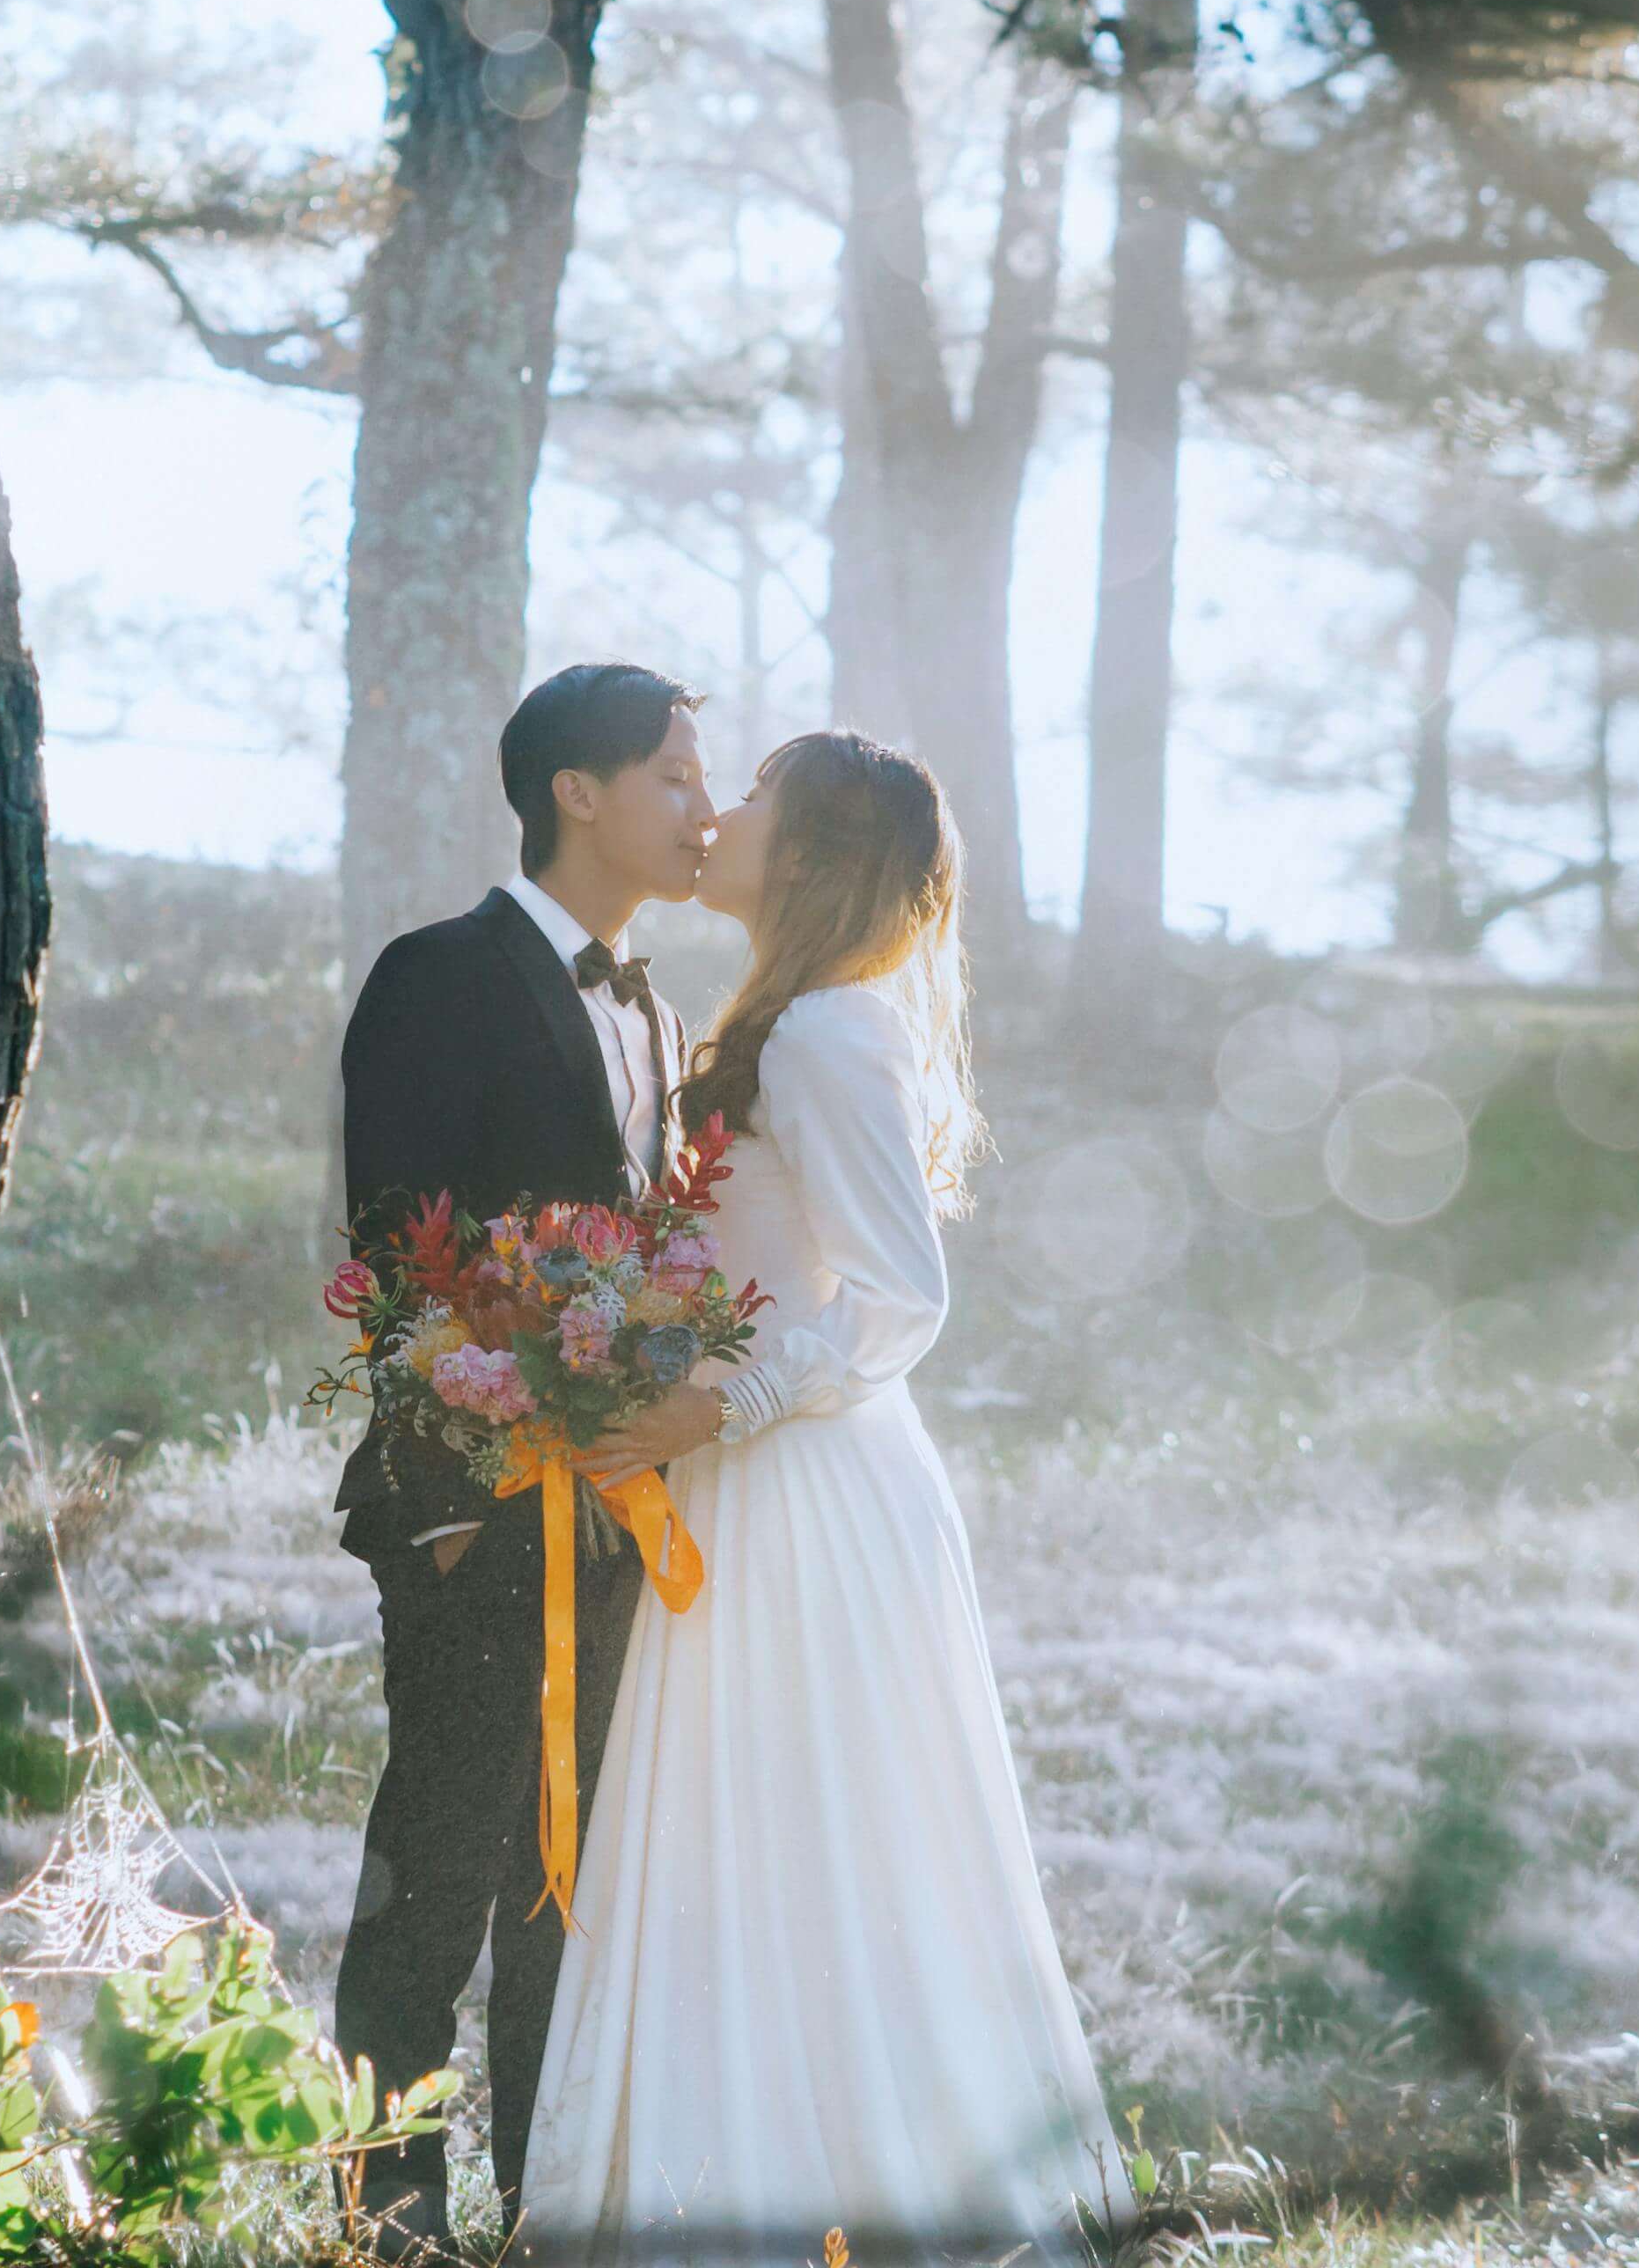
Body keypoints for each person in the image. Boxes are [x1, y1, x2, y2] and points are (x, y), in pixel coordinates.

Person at [519, 730, 1134, 2260]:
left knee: (820, 1840)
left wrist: (709, 1397)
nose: (718, 815)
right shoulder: (785, 1020)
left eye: (757, 801)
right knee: (752, 1838)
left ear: (805, 855)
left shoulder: (826, 1038)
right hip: (757, 1477)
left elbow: (899, 1302)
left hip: (806, 1484)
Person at [330, 662, 724, 2256]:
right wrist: (438, 1512)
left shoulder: (665, 1014)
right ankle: (386, 2222)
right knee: (436, 1870)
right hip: (473, 1516)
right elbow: (397, 1250)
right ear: (580, 789)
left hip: (622, 1517)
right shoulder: (437, 976)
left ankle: (540, 2217)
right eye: (679, 781)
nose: (705, 814)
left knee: (573, 1887)